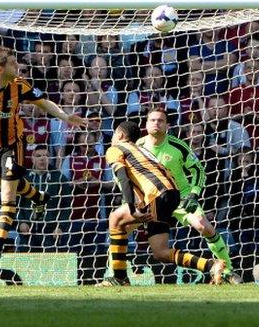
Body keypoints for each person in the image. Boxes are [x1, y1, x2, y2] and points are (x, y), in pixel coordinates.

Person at [0, 46, 88, 264]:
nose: (18, 67)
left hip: (13, 145)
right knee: (11, 185)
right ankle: (38, 197)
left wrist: (64, 116)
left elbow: (43, 102)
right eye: (13, 64)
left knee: (7, 195)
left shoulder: (19, 86)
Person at [97, 121, 226, 286]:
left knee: (115, 218)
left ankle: (119, 278)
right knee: (160, 252)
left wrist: (131, 207)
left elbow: (123, 178)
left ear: (120, 135)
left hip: (156, 195)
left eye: (115, 133)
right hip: (172, 194)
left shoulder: (115, 149)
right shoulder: (141, 149)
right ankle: (211, 265)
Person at [136, 108, 240, 283]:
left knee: (203, 226)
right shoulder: (138, 147)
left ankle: (227, 270)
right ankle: (116, 274)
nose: (156, 123)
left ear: (167, 126)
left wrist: (193, 194)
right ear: (146, 124)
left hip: (180, 196)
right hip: (152, 200)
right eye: (152, 120)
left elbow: (198, 170)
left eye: (160, 120)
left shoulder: (177, 146)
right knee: (119, 226)